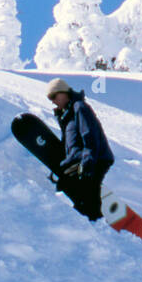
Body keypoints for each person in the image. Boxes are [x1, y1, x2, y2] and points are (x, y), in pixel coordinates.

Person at [45, 78, 114, 220]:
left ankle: (95, 224)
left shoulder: (79, 107)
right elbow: (70, 143)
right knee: (74, 191)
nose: (52, 101)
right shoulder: (67, 114)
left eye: (53, 96)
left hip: (95, 159)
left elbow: (89, 135)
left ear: (63, 92)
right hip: (81, 160)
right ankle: (90, 220)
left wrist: (87, 163)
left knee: (89, 195)